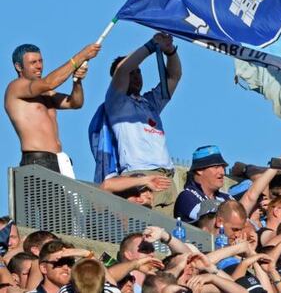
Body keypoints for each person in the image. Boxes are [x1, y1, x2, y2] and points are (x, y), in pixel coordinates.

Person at [105, 33, 181, 212]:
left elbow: (174, 77)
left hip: (167, 178)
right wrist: (151, 45)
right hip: (141, 177)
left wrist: (170, 52)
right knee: (144, 235)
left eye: (138, 71)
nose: (136, 76)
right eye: (132, 72)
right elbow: (122, 70)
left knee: (166, 236)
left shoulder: (150, 103)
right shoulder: (117, 102)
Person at [5, 42, 100, 173]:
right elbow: (50, 83)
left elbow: (75, 103)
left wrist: (77, 81)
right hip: (37, 161)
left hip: (60, 161)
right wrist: (82, 56)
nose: (39, 66)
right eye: (33, 63)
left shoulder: (45, 93)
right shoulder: (15, 87)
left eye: (40, 61)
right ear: (18, 66)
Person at [174, 146, 232, 223]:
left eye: (223, 167)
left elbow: (241, 217)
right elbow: (213, 223)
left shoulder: (226, 197)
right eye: (216, 167)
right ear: (199, 170)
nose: (222, 172)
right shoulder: (187, 197)